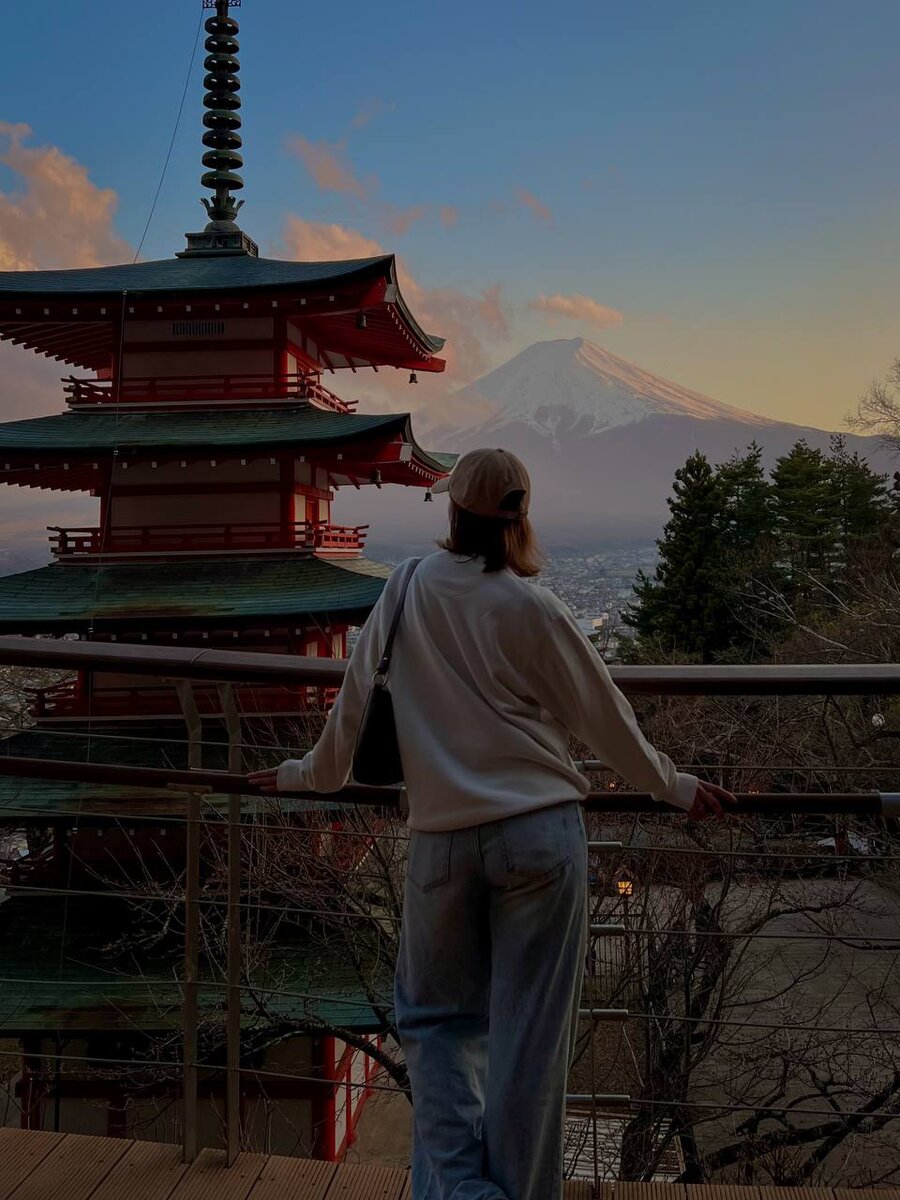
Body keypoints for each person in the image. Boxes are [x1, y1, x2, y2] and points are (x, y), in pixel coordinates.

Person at [248, 447, 736, 1200]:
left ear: (452, 510)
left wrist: (299, 778)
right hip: (542, 836)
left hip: (442, 839)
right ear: (520, 515)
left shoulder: (406, 587)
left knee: (438, 1026)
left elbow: (347, 720)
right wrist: (672, 787)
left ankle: (460, 1192)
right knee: (530, 1045)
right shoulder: (533, 608)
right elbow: (607, 722)